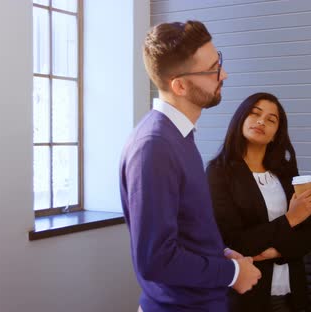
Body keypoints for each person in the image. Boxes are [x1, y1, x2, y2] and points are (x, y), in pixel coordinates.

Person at [119, 21, 261, 312]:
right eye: (212, 70)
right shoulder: (154, 147)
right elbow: (156, 260)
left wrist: (220, 254)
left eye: (218, 61)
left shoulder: (178, 135)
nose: (224, 74)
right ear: (180, 85)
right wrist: (233, 273)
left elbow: (184, 226)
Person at [206, 92, 311, 312]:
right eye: (255, 113)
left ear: (276, 134)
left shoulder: (287, 173)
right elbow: (234, 242)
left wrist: (273, 252)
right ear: (241, 119)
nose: (261, 121)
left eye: (271, 120)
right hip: (248, 298)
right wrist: (291, 219)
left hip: (292, 295)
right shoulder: (218, 173)